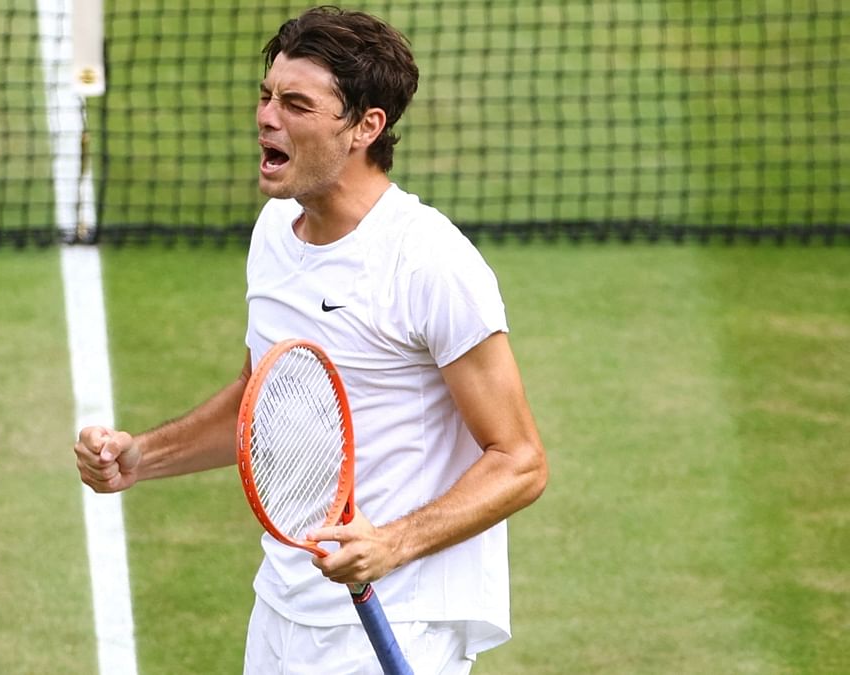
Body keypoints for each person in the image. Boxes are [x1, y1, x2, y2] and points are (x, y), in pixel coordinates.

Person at [74, 6, 548, 673]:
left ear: (365, 126)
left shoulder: (429, 261)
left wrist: (392, 542)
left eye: (296, 104)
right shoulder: (274, 232)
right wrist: (141, 457)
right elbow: (261, 397)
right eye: (266, 96)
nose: (267, 116)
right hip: (283, 609)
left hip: (397, 612)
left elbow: (520, 459)